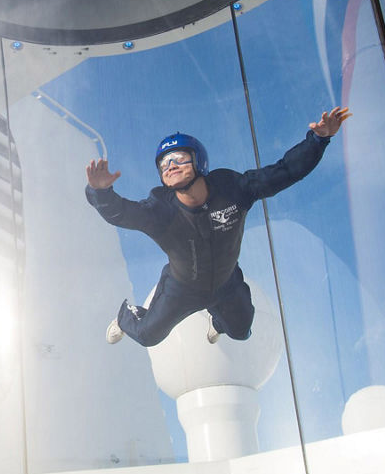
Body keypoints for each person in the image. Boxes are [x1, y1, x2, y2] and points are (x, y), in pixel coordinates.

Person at [84, 107, 350, 347]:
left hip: (226, 283)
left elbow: (285, 171)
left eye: (178, 158)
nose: (171, 166)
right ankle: (124, 317)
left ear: (199, 160)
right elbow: (121, 214)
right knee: (146, 336)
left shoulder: (233, 189)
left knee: (241, 332)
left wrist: (318, 140)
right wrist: (100, 193)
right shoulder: (160, 211)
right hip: (181, 289)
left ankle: (218, 319)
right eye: (164, 164)